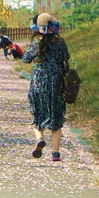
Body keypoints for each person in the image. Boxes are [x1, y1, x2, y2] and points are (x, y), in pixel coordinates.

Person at [23, 13, 70, 162]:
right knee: (56, 118)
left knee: (38, 115)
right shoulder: (60, 43)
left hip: (38, 82)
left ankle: (39, 139)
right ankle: (55, 154)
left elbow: (26, 59)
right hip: (56, 83)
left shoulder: (36, 44)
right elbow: (66, 57)